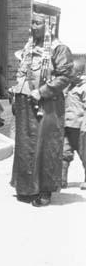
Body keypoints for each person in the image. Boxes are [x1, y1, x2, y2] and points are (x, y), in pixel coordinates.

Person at [11, 9, 73, 207]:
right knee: (26, 146)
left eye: (37, 23)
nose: (33, 27)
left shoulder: (59, 48)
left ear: (49, 25)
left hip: (48, 106)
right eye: (32, 23)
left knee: (46, 147)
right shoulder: (29, 47)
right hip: (26, 105)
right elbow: (22, 71)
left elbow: (64, 76)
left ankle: (45, 191)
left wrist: (43, 91)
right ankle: (28, 188)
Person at [61, 60, 86, 189]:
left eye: (72, 71)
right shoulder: (68, 86)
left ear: (80, 73)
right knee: (64, 153)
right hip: (66, 126)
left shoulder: (84, 87)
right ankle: (62, 180)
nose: (69, 74)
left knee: (84, 154)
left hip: (80, 127)